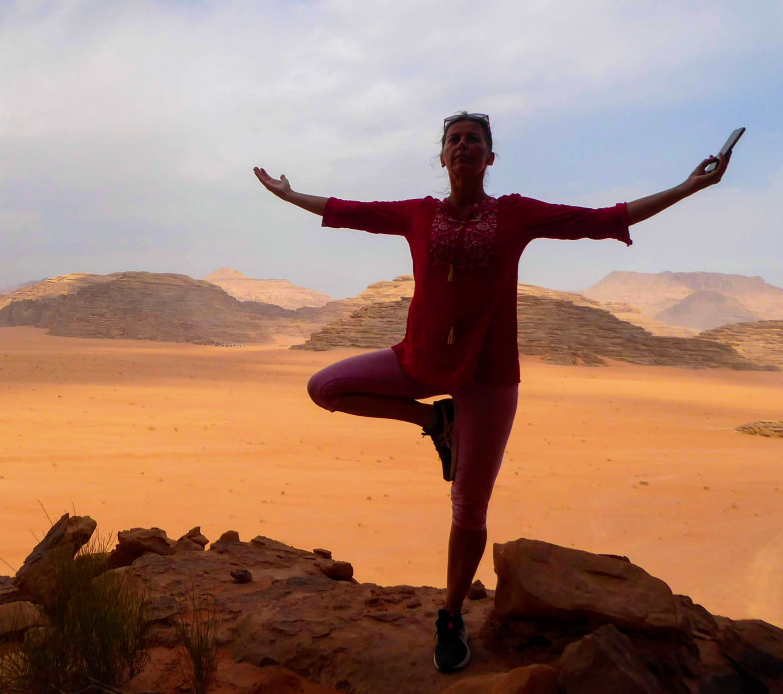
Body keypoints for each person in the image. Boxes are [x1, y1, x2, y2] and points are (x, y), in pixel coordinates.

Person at [252, 111, 732, 674]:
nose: (463, 146)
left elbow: (605, 220)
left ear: (489, 157)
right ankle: (435, 422)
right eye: (454, 139)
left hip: (488, 376)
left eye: (473, 139)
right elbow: (347, 211)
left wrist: (688, 186)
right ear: (442, 157)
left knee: (468, 507)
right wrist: (289, 195)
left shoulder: (515, 214)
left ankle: (451, 613)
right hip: (420, 363)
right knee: (325, 386)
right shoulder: (418, 213)